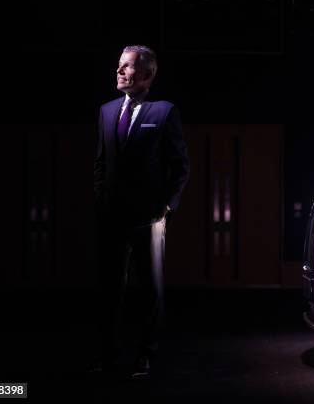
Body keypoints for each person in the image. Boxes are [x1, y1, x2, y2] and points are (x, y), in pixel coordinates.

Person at [93, 45, 189, 378]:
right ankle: (106, 356)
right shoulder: (106, 111)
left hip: (149, 219)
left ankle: (145, 355)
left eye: (128, 66)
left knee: (150, 290)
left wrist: (165, 208)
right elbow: (101, 163)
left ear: (147, 75)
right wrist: (102, 199)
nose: (119, 71)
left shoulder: (163, 112)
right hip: (112, 218)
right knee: (108, 289)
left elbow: (180, 167)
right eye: (118, 65)